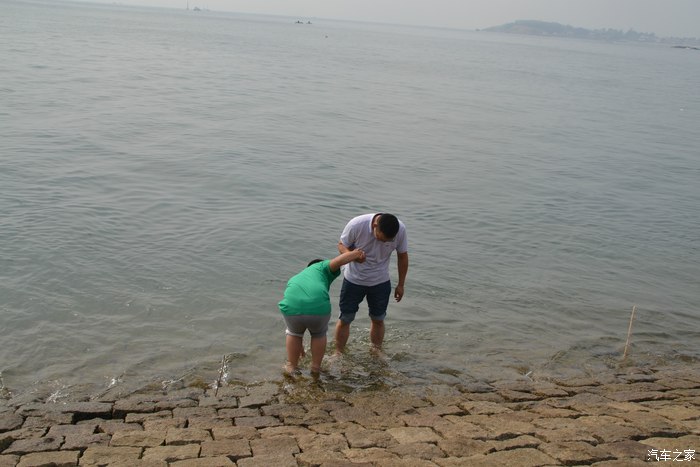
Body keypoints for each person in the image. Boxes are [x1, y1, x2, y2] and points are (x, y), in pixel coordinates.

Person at [278, 249, 366, 375]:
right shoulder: (321, 266)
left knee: (294, 333)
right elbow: (339, 261)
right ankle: (315, 368)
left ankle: (292, 367)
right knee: (318, 334)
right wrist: (356, 254)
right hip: (317, 306)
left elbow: (297, 305)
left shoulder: (297, 277)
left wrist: (298, 344)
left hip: (291, 306)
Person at [334, 212, 408, 354]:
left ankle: (376, 351)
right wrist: (353, 256)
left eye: (388, 241)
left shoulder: (400, 229)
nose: (384, 243)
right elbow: (342, 245)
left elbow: (402, 256)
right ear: (375, 225)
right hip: (353, 279)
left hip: (380, 281)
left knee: (378, 319)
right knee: (345, 318)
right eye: (381, 239)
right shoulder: (357, 224)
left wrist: (401, 284)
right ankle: (338, 352)